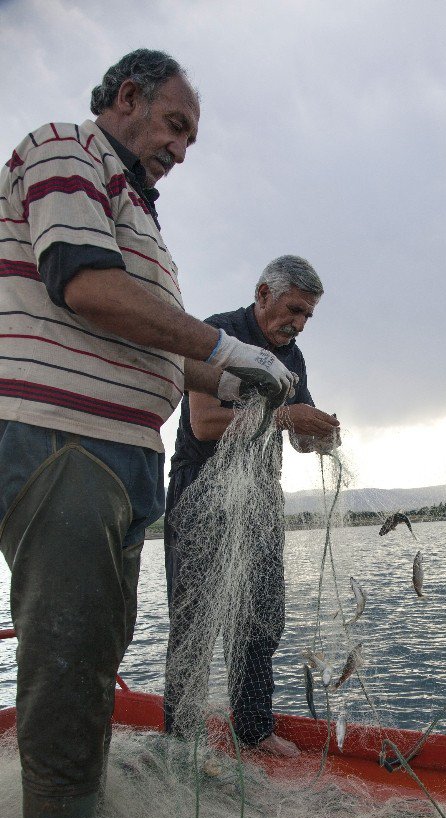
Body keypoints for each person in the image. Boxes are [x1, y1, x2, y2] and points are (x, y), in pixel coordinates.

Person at [0, 49, 297, 818]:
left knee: (95, 656)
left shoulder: (140, 214)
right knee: (66, 655)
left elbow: (156, 343)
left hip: (123, 457)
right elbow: (85, 286)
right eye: (174, 125)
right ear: (126, 98)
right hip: (68, 445)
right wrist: (224, 347)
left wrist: (239, 377)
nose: (181, 148)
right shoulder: (67, 150)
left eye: (192, 137)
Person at [164, 255, 340, 756]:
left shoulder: (294, 359)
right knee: (194, 620)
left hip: (260, 495)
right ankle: (182, 740)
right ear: (263, 294)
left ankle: (254, 731)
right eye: (293, 309)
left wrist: (320, 434)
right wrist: (288, 417)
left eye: (307, 315)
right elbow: (204, 423)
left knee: (261, 618)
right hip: (202, 488)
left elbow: (297, 432)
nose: (299, 323)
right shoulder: (217, 334)